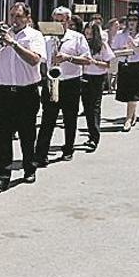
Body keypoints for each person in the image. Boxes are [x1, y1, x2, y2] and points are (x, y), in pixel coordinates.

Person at [0, 2, 46, 193]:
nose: (14, 20)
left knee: (27, 134)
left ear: (27, 18)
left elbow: (34, 60)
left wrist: (13, 43)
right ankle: (2, 176)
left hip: (26, 92)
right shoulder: (3, 36)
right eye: (12, 15)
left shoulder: (34, 36)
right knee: (3, 136)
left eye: (18, 16)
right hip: (3, 92)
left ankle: (29, 168)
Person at [35, 9, 91, 165]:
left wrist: (68, 58)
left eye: (62, 21)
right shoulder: (46, 39)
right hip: (52, 81)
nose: (59, 24)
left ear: (68, 21)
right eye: (56, 20)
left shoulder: (77, 37)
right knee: (47, 119)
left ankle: (68, 149)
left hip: (70, 82)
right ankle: (41, 154)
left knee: (70, 118)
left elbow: (87, 60)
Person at [111, 12, 139, 132]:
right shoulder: (120, 35)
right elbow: (113, 50)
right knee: (126, 93)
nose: (132, 22)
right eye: (130, 19)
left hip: (138, 65)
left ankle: (128, 119)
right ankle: (132, 113)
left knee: (134, 93)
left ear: (138, 22)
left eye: (134, 19)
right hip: (124, 64)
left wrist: (136, 47)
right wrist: (122, 50)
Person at [81, 20, 114, 151]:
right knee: (86, 107)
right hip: (84, 76)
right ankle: (90, 135)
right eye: (86, 31)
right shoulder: (82, 43)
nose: (88, 34)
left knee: (94, 106)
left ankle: (95, 137)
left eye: (90, 31)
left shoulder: (102, 45)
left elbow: (108, 64)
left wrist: (94, 62)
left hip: (97, 77)